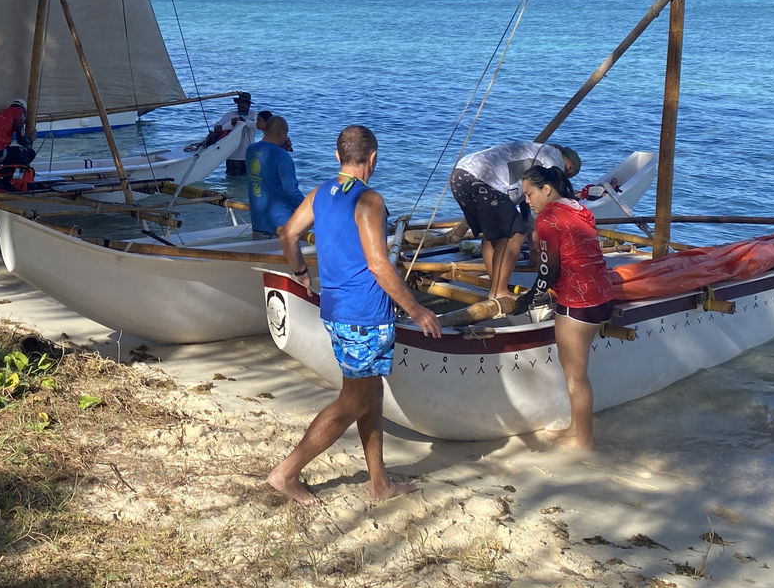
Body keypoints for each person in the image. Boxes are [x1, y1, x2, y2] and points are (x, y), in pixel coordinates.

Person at [267, 124, 444, 506]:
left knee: (370, 394)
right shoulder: (370, 201)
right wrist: (417, 309)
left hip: (335, 311)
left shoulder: (320, 194)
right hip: (363, 315)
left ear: (338, 157)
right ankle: (286, 472)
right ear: (373, 158)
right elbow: (380, 265)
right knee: (352, 400)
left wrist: (301, 273)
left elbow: (288, 234)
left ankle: (379, 483)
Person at [520, 163, 615, 450]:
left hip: (578, 301)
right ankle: (575, 428)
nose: (527, 201)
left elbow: (550, 270)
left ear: (546, 190)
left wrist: (529, 297)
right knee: (577, 372)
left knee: (575, 375)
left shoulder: (548, 219)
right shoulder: (578, 208)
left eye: (529, 194)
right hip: (602, 294)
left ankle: (584, 441)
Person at [448, 141, 581, 303]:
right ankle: (499, 291)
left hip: (460, 175)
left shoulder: (537, 152)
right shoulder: (555, 163)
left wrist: (534, 247)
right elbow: (543, 212)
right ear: (570, 167)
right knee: (515, 234)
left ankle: (496, 285)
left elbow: (529, 211)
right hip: (483, 180)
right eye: (569, 176)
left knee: (493, 235)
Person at [246, 115, 305, 237]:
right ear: (282, 133)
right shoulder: (282, 156)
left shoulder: (250, 150)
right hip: (281, 222)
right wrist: (307, 209)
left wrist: (281, 150)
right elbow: (291, 191)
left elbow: (266, 174)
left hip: (258, 220)